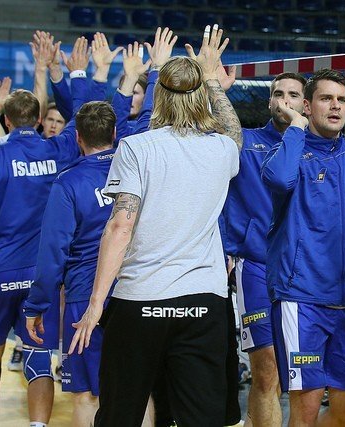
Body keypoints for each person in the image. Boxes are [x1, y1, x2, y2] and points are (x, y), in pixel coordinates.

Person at [69, 25, 242, 426]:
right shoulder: (222, 148)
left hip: (140, 301)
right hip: (203, 303)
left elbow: (120, 228)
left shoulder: (135, 147)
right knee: (202, 419)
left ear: (158, 94)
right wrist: (211, 76)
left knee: (120, 415)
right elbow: (233, 129)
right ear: (201, 96)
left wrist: (96, 304)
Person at [0, 35, 90, 427]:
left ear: (6, 120)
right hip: (41, 275)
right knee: (38, 356)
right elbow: (82, 113)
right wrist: (56, 71)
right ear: (39, 119)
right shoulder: (57, 150)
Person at [260, 68, 345, 426]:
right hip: (301, 299)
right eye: (326, 98)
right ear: (307, 106)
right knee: (304, 410)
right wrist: (296, 128)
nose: (336, 106)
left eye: (341, 100)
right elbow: (279, 180)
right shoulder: (289, 150)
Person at [22, 101, 116, 427]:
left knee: (86, 396)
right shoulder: (135, 170)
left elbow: (52, 253)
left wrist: (37, 305)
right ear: (114, 133)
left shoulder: (69, 182)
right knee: (136, 392)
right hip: (133, 293)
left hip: (83, 297)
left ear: (77, 138)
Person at [222, 71, 306, 426]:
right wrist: (216, 89)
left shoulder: (315, 149)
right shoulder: (245, 142)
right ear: (269, 101)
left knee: (298, 380)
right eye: (278, 93)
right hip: (256, 267)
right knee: (266, 370)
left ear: (305, 104)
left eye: (293, 94)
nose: (284, 100)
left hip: (303, 274)